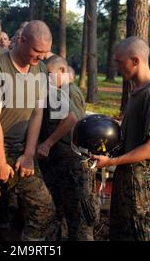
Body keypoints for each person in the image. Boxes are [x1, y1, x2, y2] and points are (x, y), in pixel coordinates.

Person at [0, 20, 55, 241]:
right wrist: (0, 162)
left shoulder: (40, 69)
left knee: (43, 208)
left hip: (20, 149)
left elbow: (37, 114)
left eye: (45, 52)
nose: (42, 57)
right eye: (37, 51)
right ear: (22, 41)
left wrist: (29, 155)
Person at [92, 36, 150, 241]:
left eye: (119, 62)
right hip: (127, 177)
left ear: (135, 61)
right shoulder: (138, 91)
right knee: (121, 234)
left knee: (141, 235)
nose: (116, 67)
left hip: (141, 182)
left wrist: (112, 162)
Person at [37, 55, 99, 240]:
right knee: (64, 217)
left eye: (49, 74)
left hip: (70, 162)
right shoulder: (63, 90)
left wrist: (47, 143)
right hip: (63, 162)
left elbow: (71, 119)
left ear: (62, 71)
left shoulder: (65, 92)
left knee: (78, 222)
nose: (45, 79)